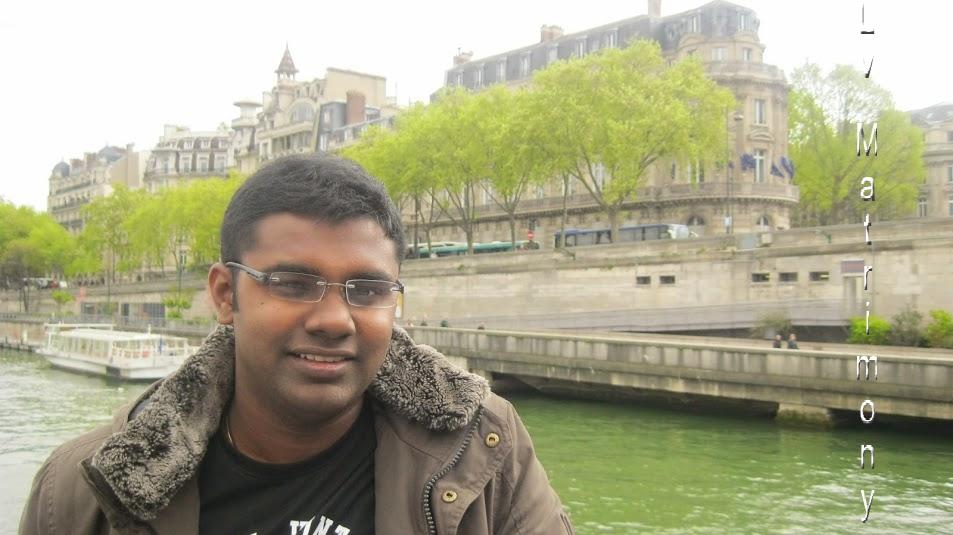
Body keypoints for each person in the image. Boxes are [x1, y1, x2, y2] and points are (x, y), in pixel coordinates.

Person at [20, 154, 574, 535]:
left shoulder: (487, 447)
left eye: (368, 290)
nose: (334, 320)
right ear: (225, 295)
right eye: (291, 283)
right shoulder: (76, 492)